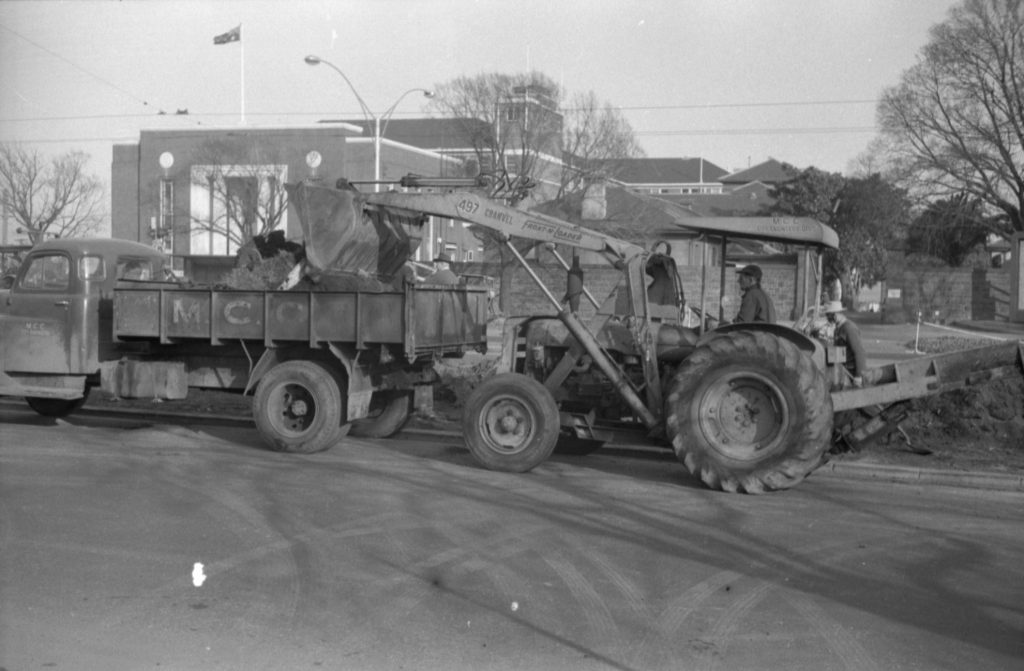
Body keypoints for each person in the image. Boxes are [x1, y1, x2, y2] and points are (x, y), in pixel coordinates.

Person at [824, 300, 867, 387]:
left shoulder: (849, 328)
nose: (828, 319)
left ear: (835, 315)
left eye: (829, 315)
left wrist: (859, 376)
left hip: (851, 372)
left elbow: (859, 352)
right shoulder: (838, 328)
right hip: (842, 371)